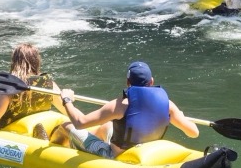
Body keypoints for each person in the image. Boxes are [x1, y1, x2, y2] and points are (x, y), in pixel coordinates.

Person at [50, 61, 199, 159]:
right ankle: (83, 141)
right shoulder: (168, 104)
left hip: (115, 154)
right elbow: (194, 133)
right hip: (147, 151)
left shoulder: (120, 105)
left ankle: (48, 146)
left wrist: (67, 99)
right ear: (151, 81)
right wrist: (180, 116)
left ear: (128, 82)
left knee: (66, 126)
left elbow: (79, 122)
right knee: (107, 126)